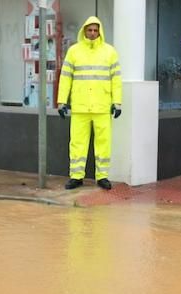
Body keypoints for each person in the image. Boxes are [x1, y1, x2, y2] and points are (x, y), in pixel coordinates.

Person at [57, 16, 122, 191]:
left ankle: (102, 176)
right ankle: (76, 176)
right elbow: (65, 78)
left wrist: (117, 102)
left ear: (99, 31)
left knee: (103, 143)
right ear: (84, 31)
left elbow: (116, 79)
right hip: (80, 106)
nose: (92, 33)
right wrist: (61, 101)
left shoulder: (110, 52)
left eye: (95, 30)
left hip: (102, 106)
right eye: (89, 30)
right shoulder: (74, 51)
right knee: (77, 142)